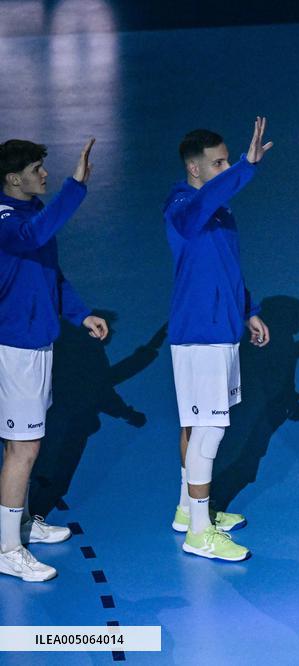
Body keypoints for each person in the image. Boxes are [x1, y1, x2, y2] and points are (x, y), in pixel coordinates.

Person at [164, 119, 272, 561]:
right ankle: (199, 533)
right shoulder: (182, 206)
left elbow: (227, 266)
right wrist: (246, 166)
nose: (225, 169)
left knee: (196, 426)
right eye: (219, 163)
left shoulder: (222, 212)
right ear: (195, 169)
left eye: (228, 162)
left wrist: (248, 309)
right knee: (207, 432)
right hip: (200, 334)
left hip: (220, 329)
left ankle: (188, 511)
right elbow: (204, 202)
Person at [0, 137, 107, 581]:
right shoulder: (8, 222)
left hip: (38, 343)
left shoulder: (30, 214)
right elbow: (35, 236)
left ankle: (22, 523)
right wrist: (75, 186)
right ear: (13, 178)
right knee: (23, 448)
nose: (44, 174)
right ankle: (7, 549)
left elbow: (51, 275)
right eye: (36, 169)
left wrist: (81, 314)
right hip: (15, 349)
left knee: (24, 443)